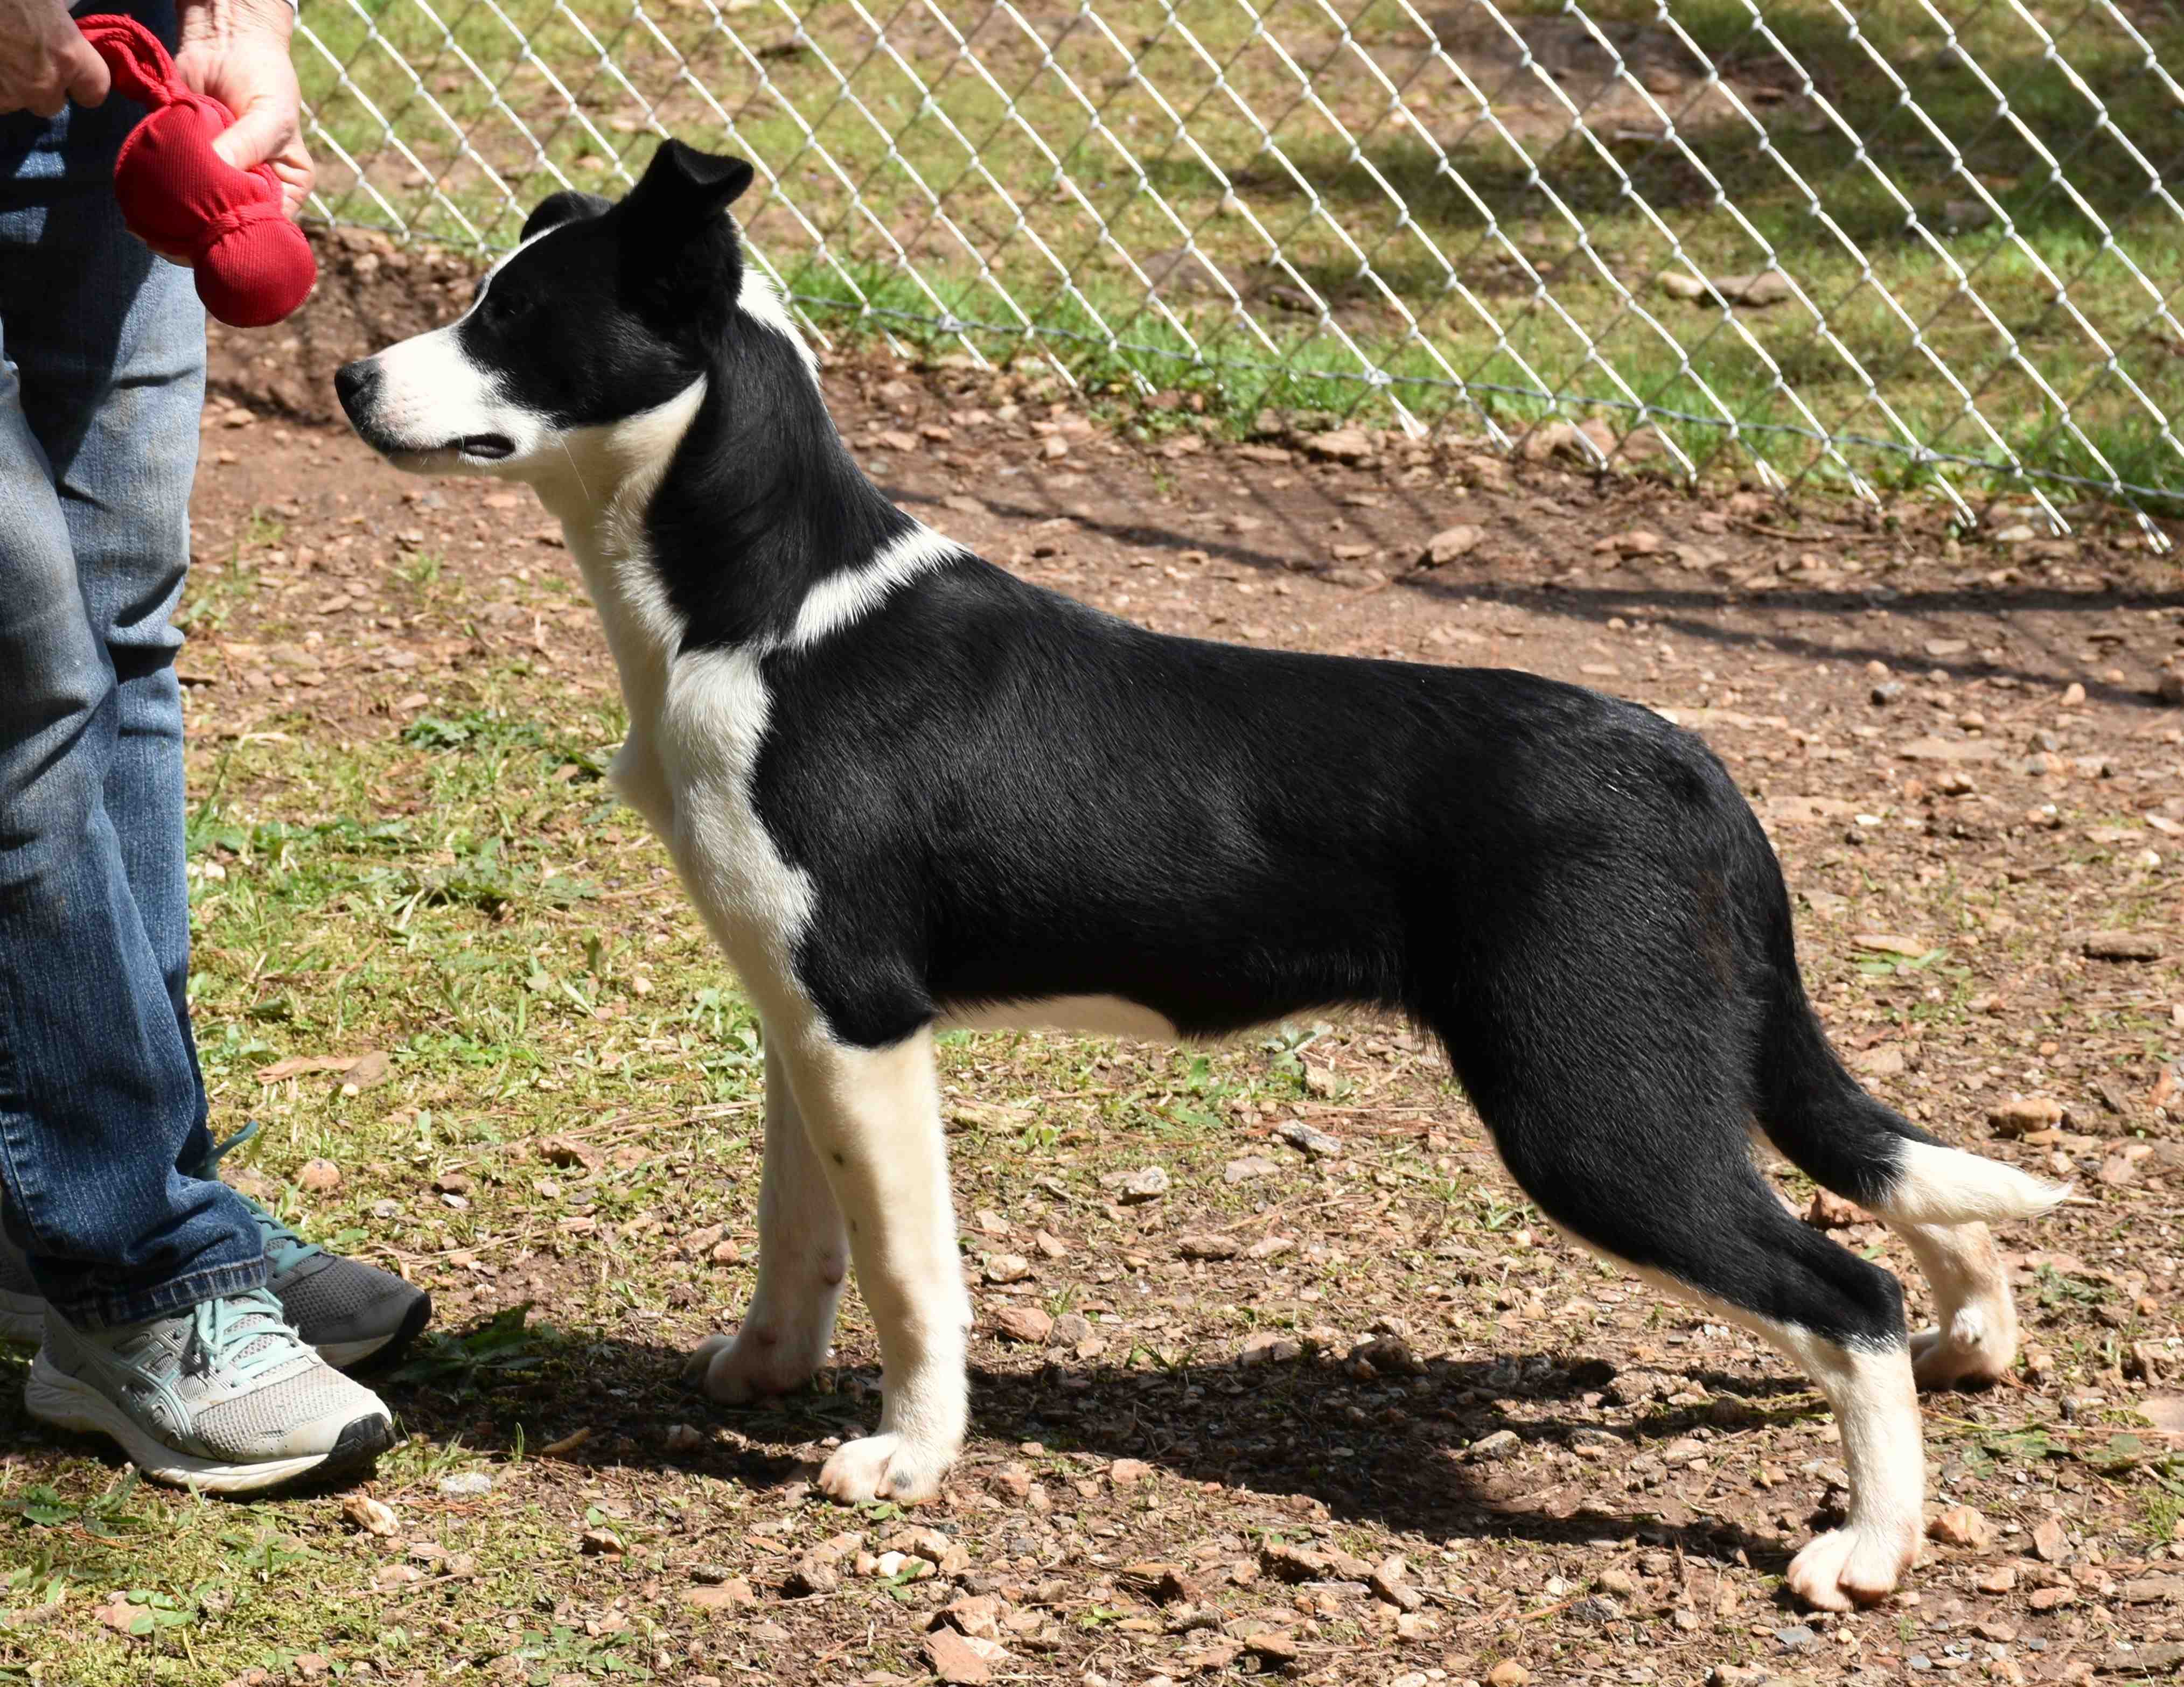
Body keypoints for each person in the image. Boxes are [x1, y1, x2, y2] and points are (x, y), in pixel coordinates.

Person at [1, 0, 428, 1490]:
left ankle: (72, 1211)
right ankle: (135, 1266)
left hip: (115, 85)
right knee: (16, 673)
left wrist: (244, 17)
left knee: (120, 632)